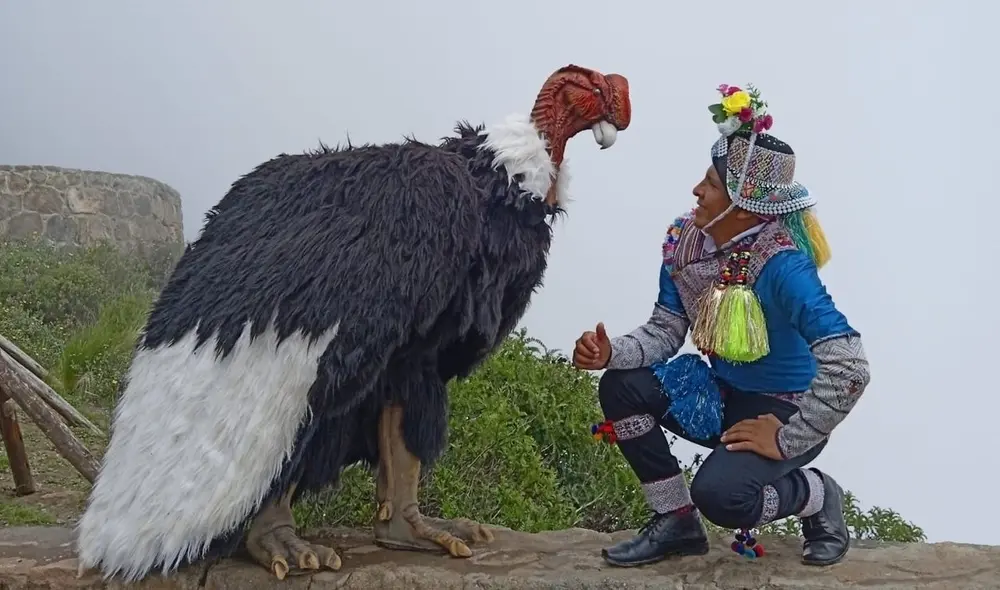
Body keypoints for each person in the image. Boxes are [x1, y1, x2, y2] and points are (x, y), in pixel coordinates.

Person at [573, 84, 870, 568]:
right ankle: (676, 521)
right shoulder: (684, 240)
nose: (697, 191)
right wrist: (612, 353)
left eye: (711, 184)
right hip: (717, 394)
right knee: (622, 387)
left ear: (745, 206)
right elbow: (666, 330)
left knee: (724, 497)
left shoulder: (784, 268)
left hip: (781, 410)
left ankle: (815, 494)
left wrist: (787, 437)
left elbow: (850, 365)